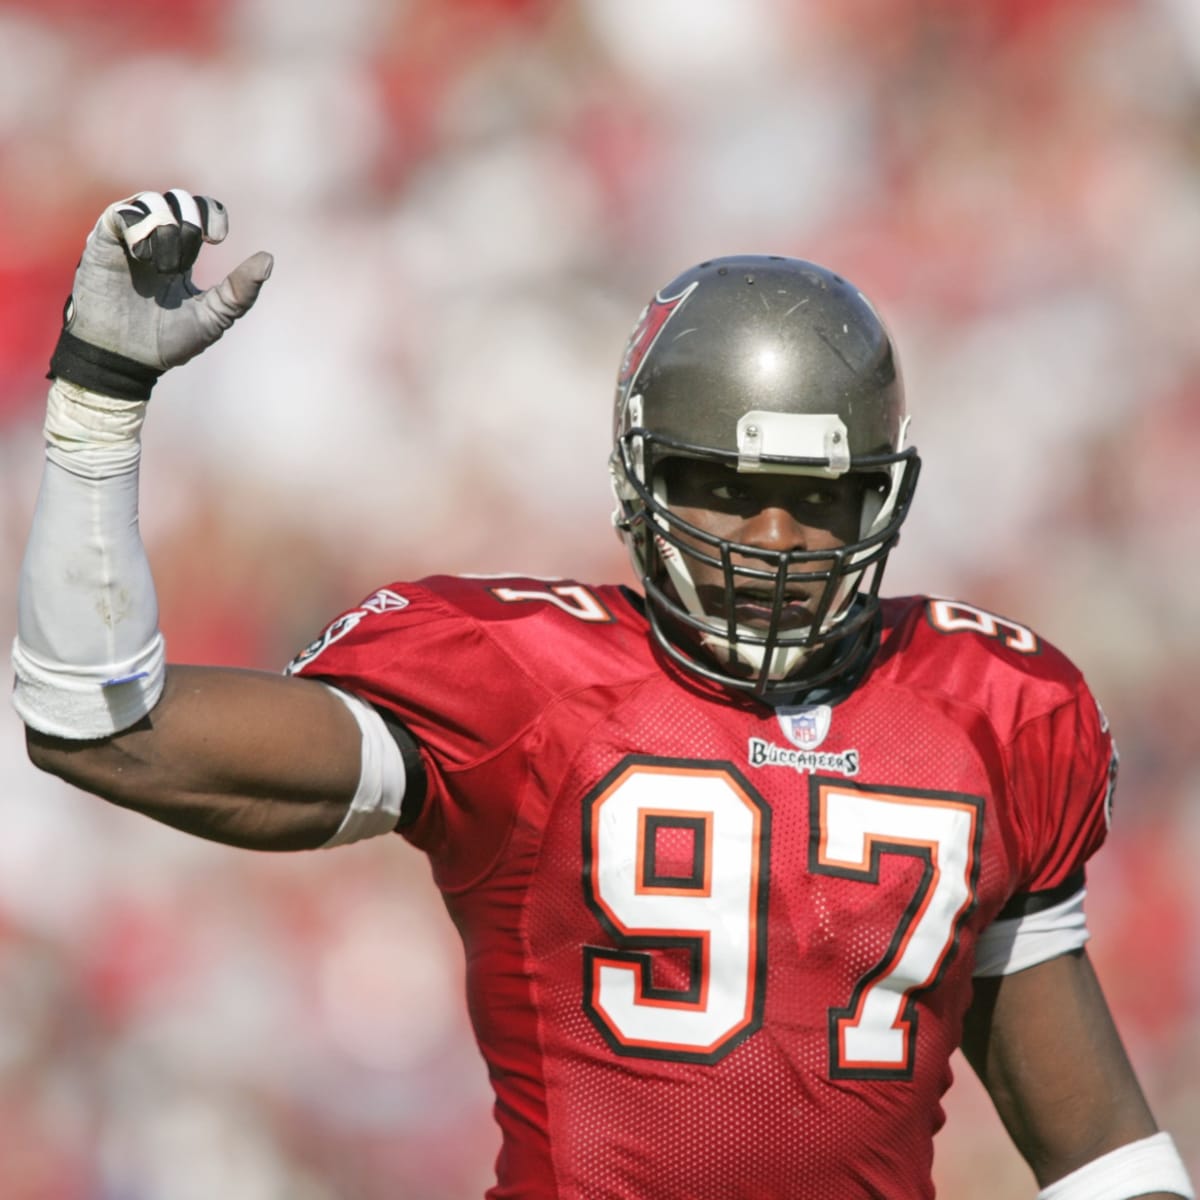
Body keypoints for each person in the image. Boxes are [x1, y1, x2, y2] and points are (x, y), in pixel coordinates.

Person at [10, 188, 1193, 1200]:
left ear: (886, 495)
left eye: (818, 497)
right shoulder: (524, 681)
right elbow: (108, 729)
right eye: (724, 488)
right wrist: (101, 401)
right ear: (641, 477)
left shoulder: (990, 706)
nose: (774, 539)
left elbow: (1096, 1150)